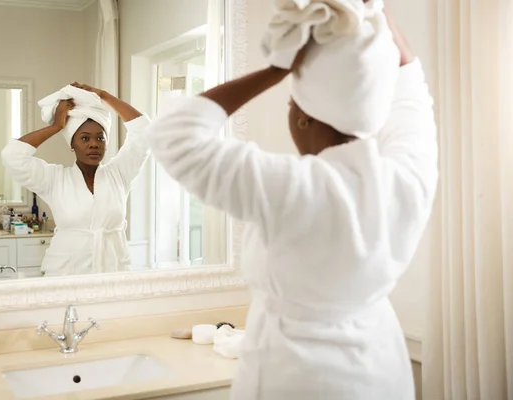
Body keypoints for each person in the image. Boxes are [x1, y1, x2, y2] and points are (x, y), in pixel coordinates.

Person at [145, 4, 437, 400]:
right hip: (381, 371)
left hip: (298, 377)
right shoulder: (406, 176)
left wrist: (277, 69)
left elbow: (173, 134)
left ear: (302, 118)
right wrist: (371, 11)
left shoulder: (286, 187)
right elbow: (410, 89)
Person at [1, 83, 150, 276]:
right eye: (85, 139)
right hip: (66, 274)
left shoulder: (118, 174)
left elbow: (144, 133)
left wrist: (104, 96)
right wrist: (56, 127)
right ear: (72, 144)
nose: (94, 144)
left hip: (113, 272)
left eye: (100, 138)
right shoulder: (55, 179)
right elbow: (12, 156)